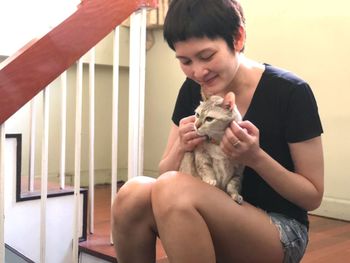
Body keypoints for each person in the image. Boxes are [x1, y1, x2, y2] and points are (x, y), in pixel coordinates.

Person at [111, 0, 324, 262]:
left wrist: (256, 158)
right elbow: (166, 173)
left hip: (279, 229)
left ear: (238, 37)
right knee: (133, 193)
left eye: (207, 56)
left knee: (173, 189)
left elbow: (312, 196)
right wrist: (181, 145)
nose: (198, 71)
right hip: (212, 209)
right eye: (185, 61)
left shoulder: (291, 91)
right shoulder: (193, 88)